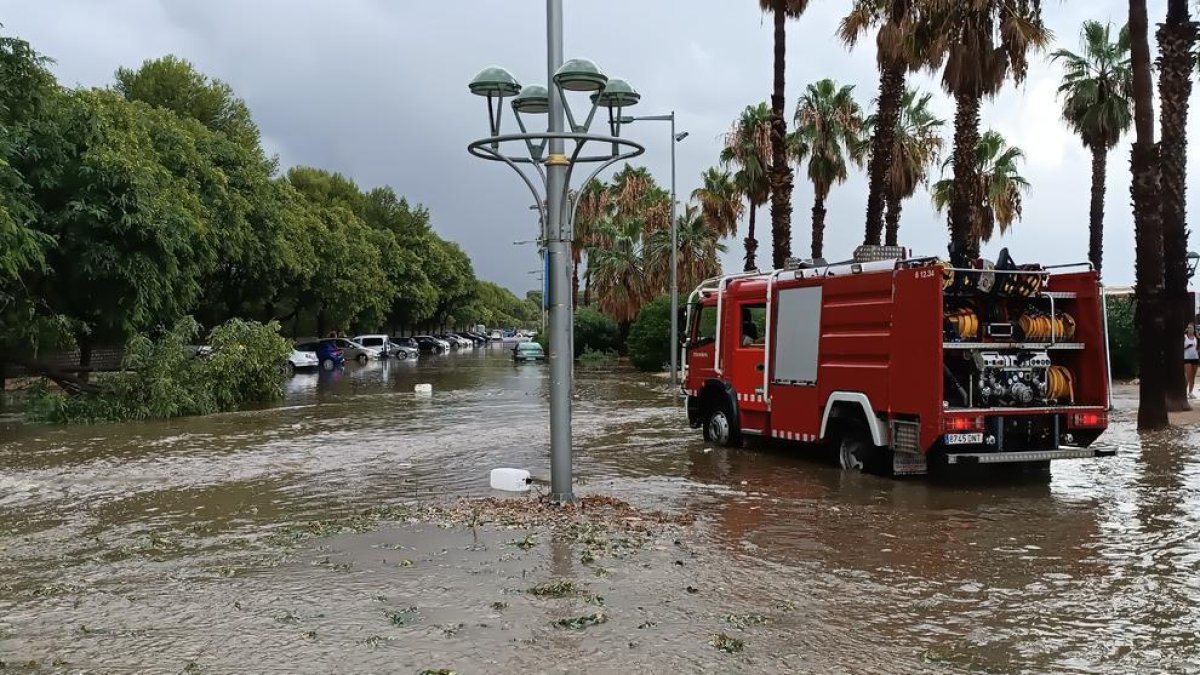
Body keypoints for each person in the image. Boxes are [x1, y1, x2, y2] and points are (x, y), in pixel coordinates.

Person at [1185, 323, 1198, 399]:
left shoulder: (1196, 337)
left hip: (1195, 358)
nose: (1190, 329)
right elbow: (1181, 348)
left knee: (1193, 376)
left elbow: (1196, 347)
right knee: (1188, 376)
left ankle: (1190, 392)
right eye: (1189, 327)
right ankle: (1184, 392)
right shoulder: (1184, 337)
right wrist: (1187, 347)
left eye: (1192, 328)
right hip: (1187, 358)